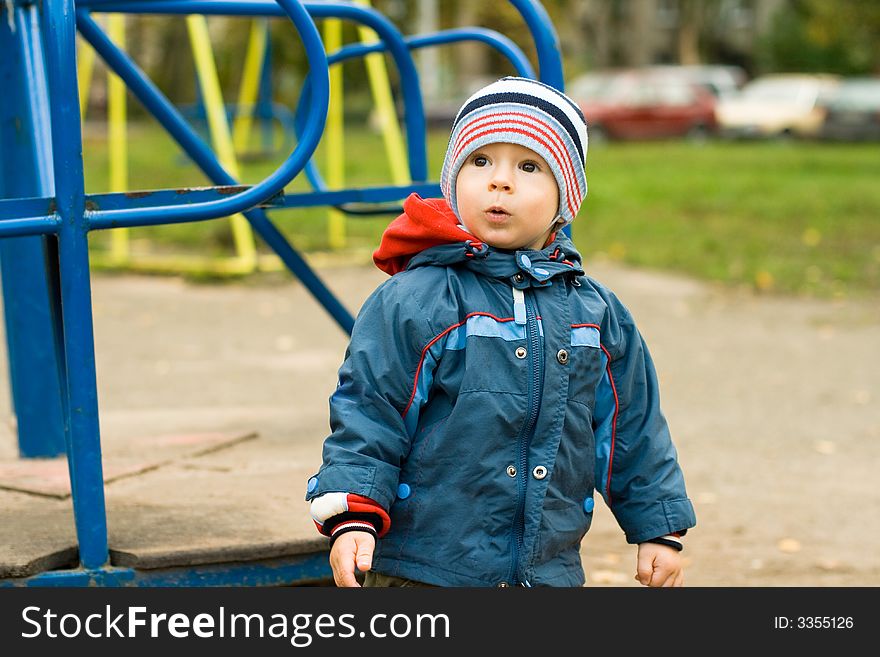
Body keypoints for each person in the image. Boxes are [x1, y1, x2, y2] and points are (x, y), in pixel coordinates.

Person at [305, 77, 696, 587]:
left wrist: (657, 525)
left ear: (565, 198)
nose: (500, 182)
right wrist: (354, 511)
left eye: (529, 166)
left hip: (546, 569)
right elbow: (370, 409)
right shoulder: (417, 299)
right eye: (481, 161)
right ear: (454, 179)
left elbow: (632, 430)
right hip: (424, 568)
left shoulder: (594, 313)